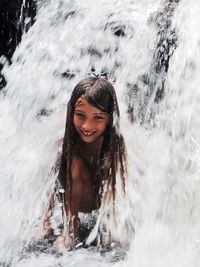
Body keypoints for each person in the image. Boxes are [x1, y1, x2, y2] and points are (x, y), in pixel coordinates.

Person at [43, 75, 127, 248]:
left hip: (98, 196)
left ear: (110, 117)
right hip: (71, 195)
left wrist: (114, 225)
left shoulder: (116, 142)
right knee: (72, 164)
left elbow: (121, 182)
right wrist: (46, 222)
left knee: (113, 165)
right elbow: (48, 180)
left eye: (98, 117)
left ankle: (110, 225)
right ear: (71, 112)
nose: (87, 126)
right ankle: (71, 228)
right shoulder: (65, 141)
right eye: (80, 115)